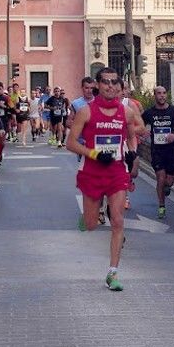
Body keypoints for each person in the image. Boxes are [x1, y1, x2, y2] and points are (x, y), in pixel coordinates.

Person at [66, 67, 141, 292]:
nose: (110, 86)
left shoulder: (126, 112)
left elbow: (132, 136)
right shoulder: (85, 112)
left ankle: (112, 273)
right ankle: (88, 218)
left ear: (119, 86)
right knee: (91, 225)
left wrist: (132, 153)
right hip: (92, 171)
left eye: (114, 82)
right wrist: (94, 154)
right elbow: (71, 143)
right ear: (98, 85)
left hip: (117, 171)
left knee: (117, 221)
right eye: (105, 82)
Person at [142, 86, 174, 219]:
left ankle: (166, 187)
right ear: (154, 96)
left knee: (169, 181)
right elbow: (139, 123)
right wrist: (144, 131)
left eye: (164, 93)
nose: (162, 95)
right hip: (157, 151)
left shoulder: (173, 111)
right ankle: (161, 205)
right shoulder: (150, 112)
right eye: (159, 93)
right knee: (160, 177)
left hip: (171, 150)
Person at [121, 85, 143, 210]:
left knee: (132, 173)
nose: (123, 91)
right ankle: (125, 198)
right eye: (121, 88)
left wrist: (126, 129)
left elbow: (141, 127)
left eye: (125, 88)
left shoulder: (132, 104)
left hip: (130, 142)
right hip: (114, 144)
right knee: (120, 172)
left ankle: (129, 181)